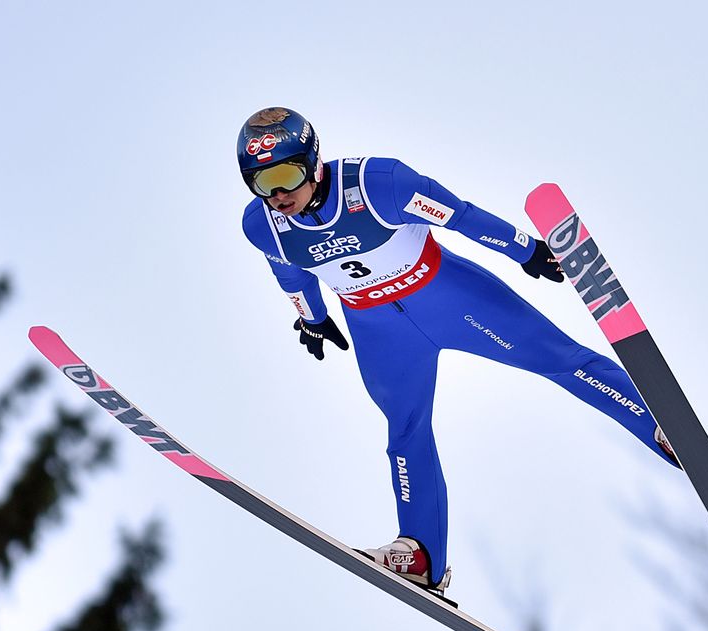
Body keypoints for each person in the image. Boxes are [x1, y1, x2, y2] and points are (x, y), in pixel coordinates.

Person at [237, 107, 678, 602]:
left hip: (448, 297)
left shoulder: (380, 183)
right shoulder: (263, 226)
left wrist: (525, 249)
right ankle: (422, 553)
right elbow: (291, 274)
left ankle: (659, 426)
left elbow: (460, 215)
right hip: (379, 331)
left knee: (559, 359)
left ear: (313, 161)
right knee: (405, 431)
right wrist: (312, 317)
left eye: (285, 176)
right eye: (261, 184)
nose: (278, 195)